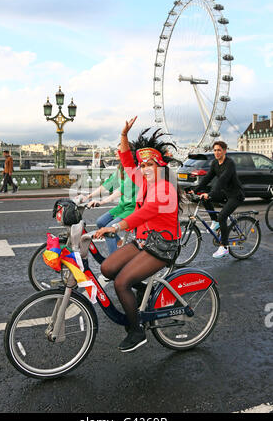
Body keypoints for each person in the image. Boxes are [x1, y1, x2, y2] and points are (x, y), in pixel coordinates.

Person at [94, 117, 182, 353]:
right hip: (144, 240)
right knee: (107, 269)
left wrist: (116, 227)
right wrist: (124, 135)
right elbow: (126, 159)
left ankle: (136, 332)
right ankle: (143, 288)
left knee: (122, 282)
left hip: (163, 245)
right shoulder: (143, 181)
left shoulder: (165, 189)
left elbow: (144, 213)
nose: (144, 169)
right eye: (142, 166)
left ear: (160, 167)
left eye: (149, 165)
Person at [189, 141, 245, 259]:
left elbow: (222, 180)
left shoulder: (229, 164)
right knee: (204, 198)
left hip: (235, 195)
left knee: (222, 216)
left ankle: (224, 246)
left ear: (224, 151)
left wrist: (211, 194)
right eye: (214, 150)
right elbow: (207, 178)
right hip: (225, 193)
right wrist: (195, 190)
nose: (216, 152)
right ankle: (215, 222)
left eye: (219, 150)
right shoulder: (215, 163)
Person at [82, 143, 138, 254]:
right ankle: (118, 242)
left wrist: (101, 202)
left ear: (128, 153)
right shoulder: (121, 169)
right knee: (100, 222)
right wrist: (88, 196)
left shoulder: (134, 170)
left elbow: (119, 192)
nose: (116, 153)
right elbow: (106, 185)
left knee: (108, 229)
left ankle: (114, 260)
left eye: (120, 150)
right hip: (123, 206)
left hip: (133, 208)